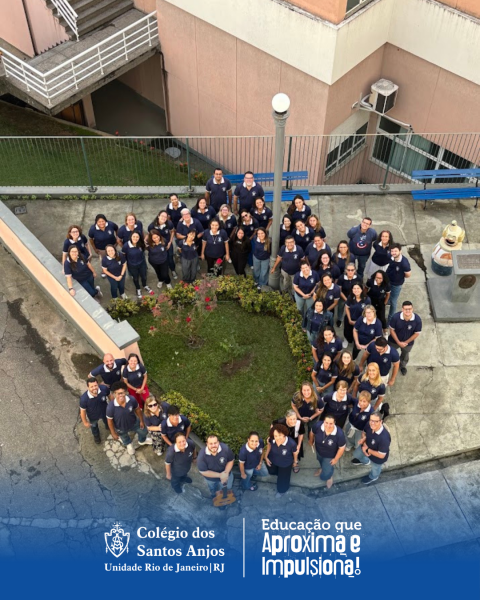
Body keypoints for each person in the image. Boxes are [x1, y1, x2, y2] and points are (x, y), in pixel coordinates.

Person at [106, 382, 151, 456]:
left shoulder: (131, 399)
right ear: (114, 394)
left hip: (134, 422)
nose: (121, 395)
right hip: (120, 427)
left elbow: (137, 410)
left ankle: (142, 441)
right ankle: (128, 444)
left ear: (125, 392)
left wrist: (141, 421)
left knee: (144, 432)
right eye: (118, 393)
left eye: (122, 393)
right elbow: (109, 421)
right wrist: (113, 432)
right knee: (124, 437)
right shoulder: (110, 407)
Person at [351, 410, 391, 484]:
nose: (372, 423)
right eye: (371, 420)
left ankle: (373, 477)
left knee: (375, 469)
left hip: (377, 458)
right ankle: (365, 461)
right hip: (366, 446)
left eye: (376, 421)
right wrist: (364, 440)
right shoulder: (369, 424)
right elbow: (364, 432)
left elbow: (381, 455)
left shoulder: (384, 438)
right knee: (356, 454)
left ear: (381, 421)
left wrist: (367, 450)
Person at [309, 415, 346, 488]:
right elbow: (312, 432)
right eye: (326, 423)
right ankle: (322, 468)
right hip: (319, 451)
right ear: (324, 421)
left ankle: (329, 476)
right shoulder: (318, 425)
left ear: (334, 423)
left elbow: (342, 448)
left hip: (330, 455)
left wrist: (336, 459)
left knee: (327, 471)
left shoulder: (339, 434)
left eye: (331, 423)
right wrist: (311, 440)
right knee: (320, 461)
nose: (328, 425)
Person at [197, 435, 235, 504]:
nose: (213, 445)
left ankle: (224, 501)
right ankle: (215, 497)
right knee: (213, 489)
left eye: (215, 443)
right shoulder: (202, 456)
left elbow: (231, 460)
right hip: (211, 479)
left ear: (218, 442)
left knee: (227, 488)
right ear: (207, 444)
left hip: (226, 475)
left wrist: (226, 473)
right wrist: (220, 475)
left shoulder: (225, 448)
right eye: (211, 443)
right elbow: (203, 472)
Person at [265, 423, 298, 498]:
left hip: (285, 464)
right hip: (273, 460)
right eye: (275, 436)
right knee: (272, 471)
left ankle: (282, 491)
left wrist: (295, 462)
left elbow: (295, 453)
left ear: (284, 434)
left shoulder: (291, 443)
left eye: (279, 435)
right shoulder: (271, 439)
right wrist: (266, 456)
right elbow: (269, 445)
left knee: (283, 479)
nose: (277, 438)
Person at [389, 301, 422, 376]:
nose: (408, 311)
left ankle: (402, 366)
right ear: (402, 309)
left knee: (405, 354)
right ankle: (388, 362)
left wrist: (406, 342)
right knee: (390, 352)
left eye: (409, 309)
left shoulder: (417, 320)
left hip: (408, 343)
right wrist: (398, 342)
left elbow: (416, 333)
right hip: (394, 340)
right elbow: (392, 330)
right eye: (406, 309)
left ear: (412, 309)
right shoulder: (395, 317)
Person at [79, 377, 110, 444]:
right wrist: (85, 422)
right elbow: (82, 411)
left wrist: (113, 406)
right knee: (94, 426)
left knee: (107, 421)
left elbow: (110, 396)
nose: (94, 388)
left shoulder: (104, 389)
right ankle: (96, 436)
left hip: (105, 411)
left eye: (95, 385)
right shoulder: (84, 399)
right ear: (88, 387)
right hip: (93, 416)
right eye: (91, 386)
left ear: (98, 384)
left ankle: (108, 427)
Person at [148, 210, 178, 280]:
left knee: (170, 258)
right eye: (162, 216)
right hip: (158, 245)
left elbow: (172, 231)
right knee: (162, 259)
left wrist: (170, 242)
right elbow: (150, 236)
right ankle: (164, 272)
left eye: (165, 217)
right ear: (158, 216)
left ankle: (173, 270)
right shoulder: (152, 226)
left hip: (167, 243)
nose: (164, 218)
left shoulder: (169, 223)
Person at [122, 231, 153, 298]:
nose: (135, 238)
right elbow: (124, 255)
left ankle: (145, 285)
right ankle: (138, 288)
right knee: (135, 278)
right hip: (132, 265)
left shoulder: (141, 243)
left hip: (142, 264)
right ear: (131, 237)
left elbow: (143, 250)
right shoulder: (126, 245)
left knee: (144, 276)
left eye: (137, 237)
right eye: (134, 236)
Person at [386, 244, 412, 323]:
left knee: (393, 302)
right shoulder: (391, 256)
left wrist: (399, 276)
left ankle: (390, 320)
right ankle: (388, 301)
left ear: (400, 251)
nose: (393, 253)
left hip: (396, 284)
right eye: (392, 251)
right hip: (388, 281)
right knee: (387, 294)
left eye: (395, 251)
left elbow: (408, 275)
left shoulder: (404, 263)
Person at [344, 283, 371, 348]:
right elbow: (347, 308)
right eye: (354, 288)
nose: (356, 290)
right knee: (347, 331)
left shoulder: (367, 299)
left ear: (361, 289)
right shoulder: (350, 297)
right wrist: (349, 319)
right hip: (349, 318)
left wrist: (358, 322)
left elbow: (367, 312)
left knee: (357, 333)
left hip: (360, 321)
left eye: (358, 288)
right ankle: (346, 340)